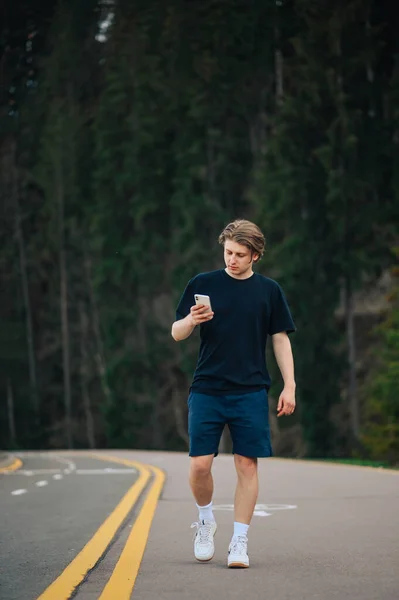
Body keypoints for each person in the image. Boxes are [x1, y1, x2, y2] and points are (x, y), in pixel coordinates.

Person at [171, 219, 296, 568]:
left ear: (255, 255)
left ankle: (239, 541)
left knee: (246, 465)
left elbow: (280, 338)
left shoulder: (269, 291)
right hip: (207, 388)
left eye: (240, 254)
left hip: (251, 390)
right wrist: (193, 320)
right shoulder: (203, 284)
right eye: (228, 252)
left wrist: (290, 384)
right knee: (199, 466)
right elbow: (176, 332)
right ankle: (206, 520)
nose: (232, 260)